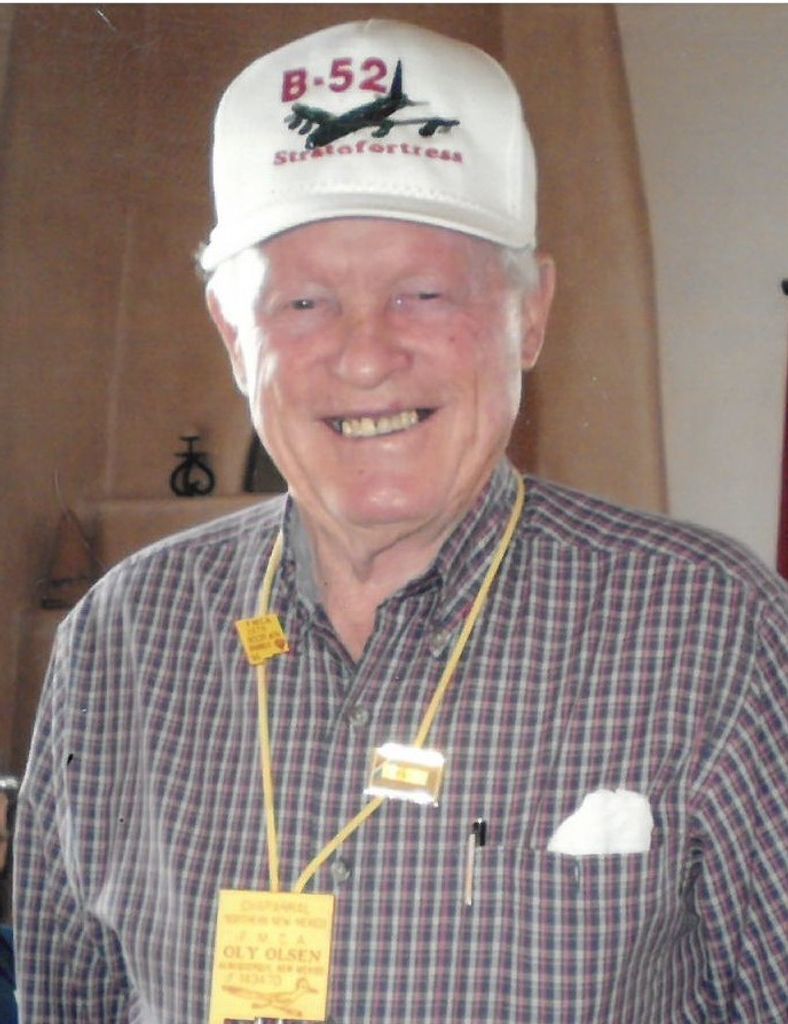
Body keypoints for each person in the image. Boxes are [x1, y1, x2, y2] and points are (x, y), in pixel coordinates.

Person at [13, 19, 787, 1024]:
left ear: (530, 314)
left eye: (423, 293)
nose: (367, 356)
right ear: (233, 335)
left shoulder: (713, 627)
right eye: (303, 303)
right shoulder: (119, 637)